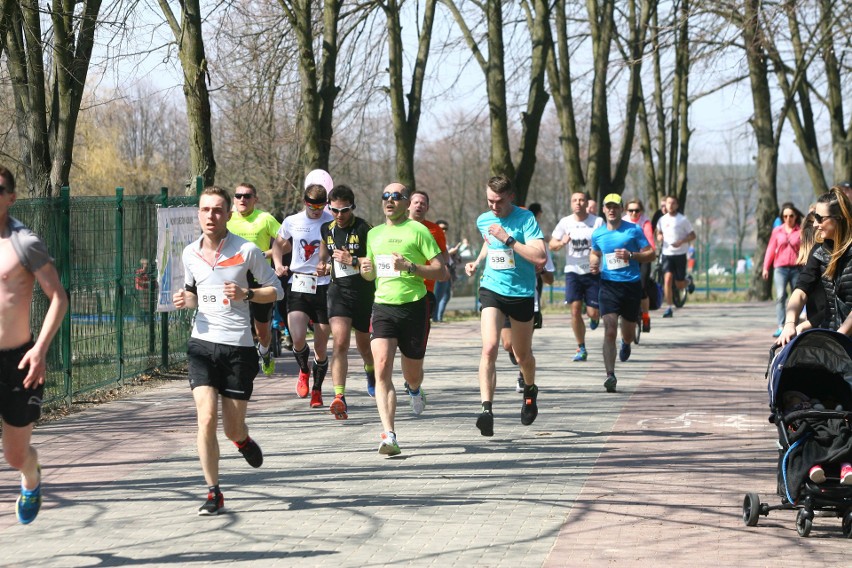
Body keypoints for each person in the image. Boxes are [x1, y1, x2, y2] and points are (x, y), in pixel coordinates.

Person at [172, 186, 284, 515]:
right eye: (206, 210)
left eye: (218, 210)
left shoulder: (246, 250)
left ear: (229, 214)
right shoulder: (189, 253)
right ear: (198, 214)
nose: (211, 216)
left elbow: (274, 290)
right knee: (205, 418)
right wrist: (185, 300)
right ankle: (213, 491)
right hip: (202, 345)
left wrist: (247, 294)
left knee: (231, 427)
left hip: (238, 347)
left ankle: (242, 440)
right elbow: (194, 295)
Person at [0, 165, 68, 524]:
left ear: (11, 197)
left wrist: (40, 349)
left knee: (14, 455)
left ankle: (30, 475)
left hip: (18, 360)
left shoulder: (24, 242)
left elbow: (58, 297)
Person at [359, 183, 446, 456]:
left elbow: (441, 272)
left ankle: (415, 389)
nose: (390, 201)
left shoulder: (419, 231)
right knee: (382, 367)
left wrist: (410, 266)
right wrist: (365, 269)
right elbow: (371, 275)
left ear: (406, 203)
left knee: (412, 374)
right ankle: (389, 435)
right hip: (383, 307)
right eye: (385, 196)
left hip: (414, 308)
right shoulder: (374, 234)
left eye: (396, 197)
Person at [465, 175, 546, 437]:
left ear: (511, 196)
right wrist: (477, 262)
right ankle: (486, 410)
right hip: (492, 288)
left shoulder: (526, 220)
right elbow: (490, 244)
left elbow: (540, 256)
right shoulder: (483, 220)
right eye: (489, 201)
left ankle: (530, 390)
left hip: (521, 293)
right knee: (489, 347)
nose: (493, 207)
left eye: (499, 201)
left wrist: (510, 239)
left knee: (522, 355)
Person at [316, 184, 376, 419]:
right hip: (338, 291)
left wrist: (353, 260)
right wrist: (322, 264)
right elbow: (325, 247)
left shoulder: (364, 229)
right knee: (340, 342)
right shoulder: (326, 229)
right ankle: (339, 396)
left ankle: (370, 371)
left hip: (362, 292)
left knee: (364, 346)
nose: (339, 215)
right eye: (334, 210)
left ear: (352, 207)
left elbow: (373, 261)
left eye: (344, 210)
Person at [272, 183, 334, 407]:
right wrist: (278, 264)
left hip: (324, 284)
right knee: (297, 338)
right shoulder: (292, 221)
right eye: (312, 206)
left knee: (320, 347)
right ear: (305, 203)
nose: (316, 211)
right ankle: (303, 370)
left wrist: (329, 265)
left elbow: (339, 250)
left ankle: (317, 390)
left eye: (320, 206)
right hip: (298, 282)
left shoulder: (331, 220)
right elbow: (278, 245)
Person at [589, 193, 654, 393]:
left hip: (631, 286)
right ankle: (610, 375)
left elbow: (651, 253)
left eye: (615, 207)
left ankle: (626, 343)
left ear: (621, 209)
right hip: (608, 286)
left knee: (627, 333)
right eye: (608, 206)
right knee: (609, 330)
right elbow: (595, 252)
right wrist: (594, 262)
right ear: (603, 209)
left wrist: (632, 255)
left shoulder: (633, 230)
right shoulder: (598, 233)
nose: (611, 210)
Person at [779, 187, 852, 346]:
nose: (815, 224)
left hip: (842, 338)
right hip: (831, 336)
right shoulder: (819, 251)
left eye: (820, 218)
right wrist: (790, 324)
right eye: (814, 218)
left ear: (839, 218)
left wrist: (838, 338)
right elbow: (801, 290)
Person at [226, 183, 282, 375]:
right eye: (238, 195)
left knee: (262, 331)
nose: (243, 199)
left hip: (259, 277)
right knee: (235, 323)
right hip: (234, 275)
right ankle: (236, 362)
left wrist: (264, 255)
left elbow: (286, 244)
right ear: (234, 199)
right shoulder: (227, 218)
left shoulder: (265, 218)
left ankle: (265, 351)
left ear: (255, 199)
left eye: (247, 196)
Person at [550, 192, 604, 362]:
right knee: (574, 310)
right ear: (571, 203)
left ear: (587, 203)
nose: (578, 203)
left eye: (581, 200)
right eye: (574, 200)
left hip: (593, 272)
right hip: (572, 271)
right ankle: (581, 347)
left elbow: (605, 242)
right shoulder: (565, 222)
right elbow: (552, 245)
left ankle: (595, 316)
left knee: (593, 312)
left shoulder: (597, 222)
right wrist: (561, 243)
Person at [762, 203, 802, 338]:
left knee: (795, 297)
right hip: (780, 268)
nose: (788, 218)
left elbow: (805, 250)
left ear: (796, 216)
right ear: (782, 217)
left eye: (791, 216)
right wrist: (765, 267)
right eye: (785, 216)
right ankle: (781, 325)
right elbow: (770, 249)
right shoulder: (777, 231)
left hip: (796, 268)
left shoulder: (800, 231)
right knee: (780, 296)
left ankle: (794, 325)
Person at [408, 190, 449, 320]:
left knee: (418, 332)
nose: (419, 205)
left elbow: (444, 256)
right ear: (408, 205)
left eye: (423, 203)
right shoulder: (397, 226)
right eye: (416, 202)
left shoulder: (435, 230)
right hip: (402, 284)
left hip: (425, 288)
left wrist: (443, 267)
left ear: (427, 208)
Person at [655, 195, 696, 318]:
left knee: (679, 285)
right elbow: (658, 232)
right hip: (667, 254)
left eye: (673, 203)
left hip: (680, 255)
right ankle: (669, 307)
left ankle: (688, 281)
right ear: (665, 205)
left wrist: (682, 241)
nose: (670, 205)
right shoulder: (662, 220)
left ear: (677, 205)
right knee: (667, 279)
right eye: (668, 203)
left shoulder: (682, 220)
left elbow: (693, 235)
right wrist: (659, 237)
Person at [623, 199, 656, 333]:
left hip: (643, 258)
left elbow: (649, 238)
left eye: (637, 210)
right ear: (626, 211)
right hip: (627, 258)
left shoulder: (645, 222)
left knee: (641, 288)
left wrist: (651, 250)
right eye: (631, 210)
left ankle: (646, 316)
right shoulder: (623, 221)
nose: (634, 213)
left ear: (641, 211)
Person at [433, 220, 458, 323]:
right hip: (440, 270)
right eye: (441, 228)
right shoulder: (433, 239)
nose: (443, 231)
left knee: (446, 295)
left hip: (448, 270)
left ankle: (439, 317)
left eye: (445, 229)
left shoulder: (444, 240)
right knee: (438, 296)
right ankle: (434, 318)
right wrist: (450, 252)